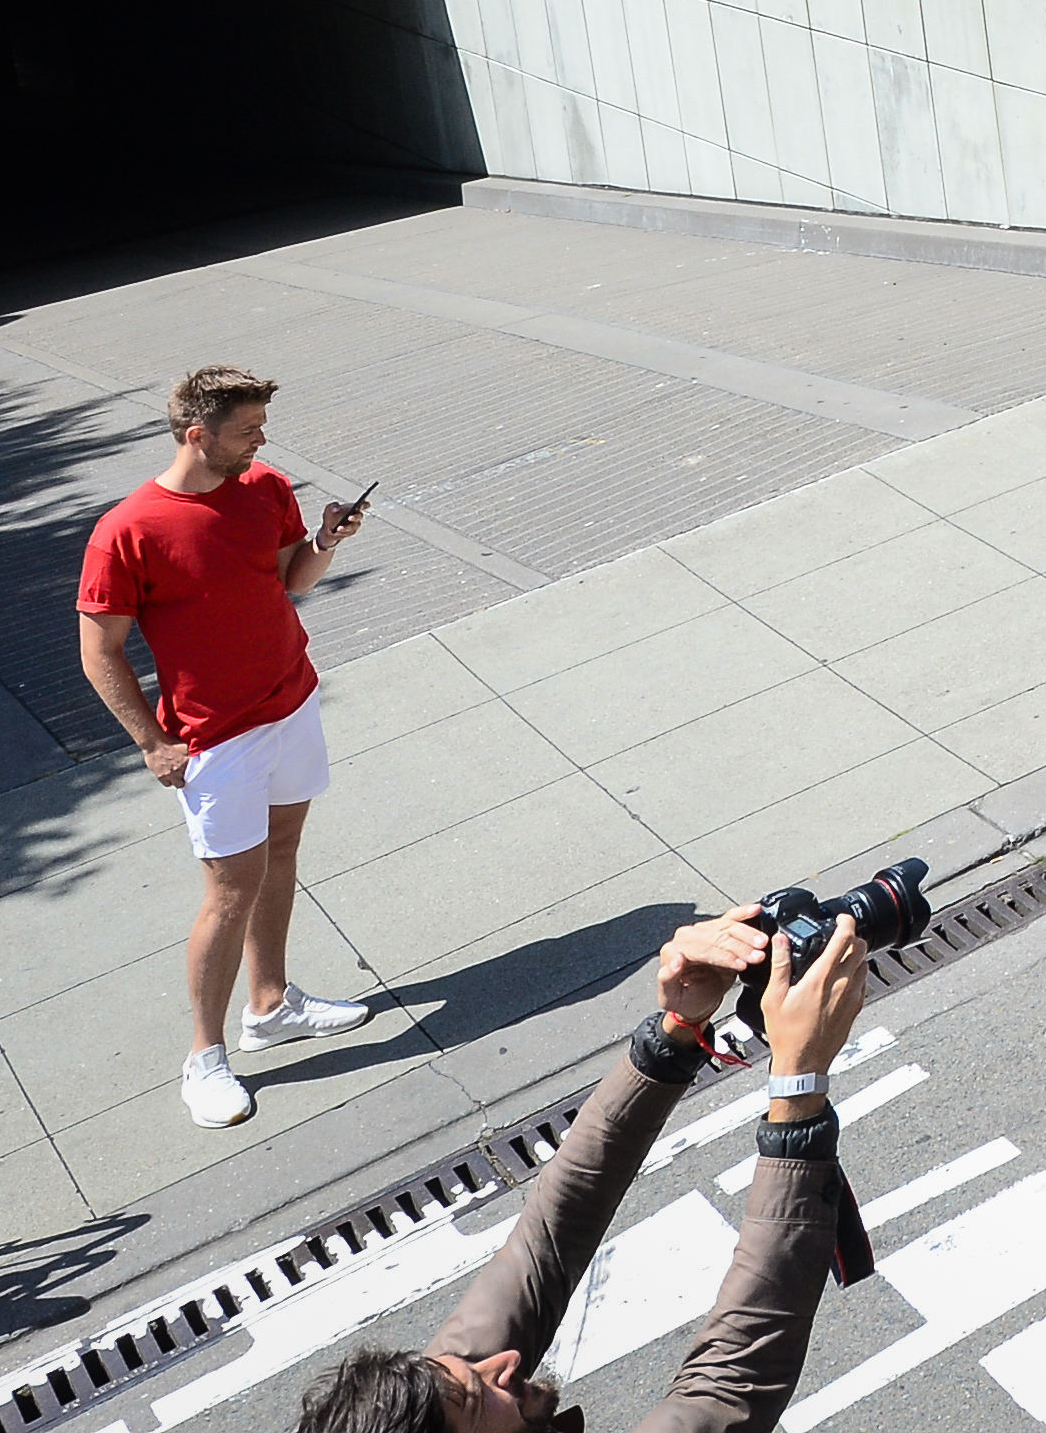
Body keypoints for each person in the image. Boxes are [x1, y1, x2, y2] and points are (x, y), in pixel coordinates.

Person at [292, 910, 867, 1433]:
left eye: (451, 1366)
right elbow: (728, 1380)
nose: (502, 1361)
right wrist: (797, 1085)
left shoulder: (440, 1394)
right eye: (477, 1396)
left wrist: (676, 1030)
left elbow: (551, 1233)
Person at [77, 365, 375, 1130]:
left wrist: (325, 541)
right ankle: (203, 1059)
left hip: (291, 702)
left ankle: (270, 1006)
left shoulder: (265, 488)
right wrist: (151, 742)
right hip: (214, 739)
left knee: (283, 852)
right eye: (247, 431)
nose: (261, 442)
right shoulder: (127, 530)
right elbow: (98, 652)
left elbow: (291, 582)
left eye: (261, 427)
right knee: (230, 891)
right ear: (196, 434)